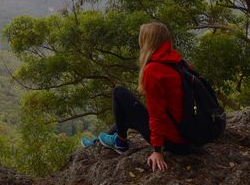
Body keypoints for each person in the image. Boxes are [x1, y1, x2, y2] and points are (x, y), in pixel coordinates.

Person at [82, 22, 192, 171]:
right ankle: (100, 142)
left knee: (119, 92)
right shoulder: (181, 63)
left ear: (147, 42)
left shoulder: (153, 70)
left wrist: (157, 151)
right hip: (189, 136)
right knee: (130, 111)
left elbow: (157, 116)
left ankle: (120, 142)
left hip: (174, 142)